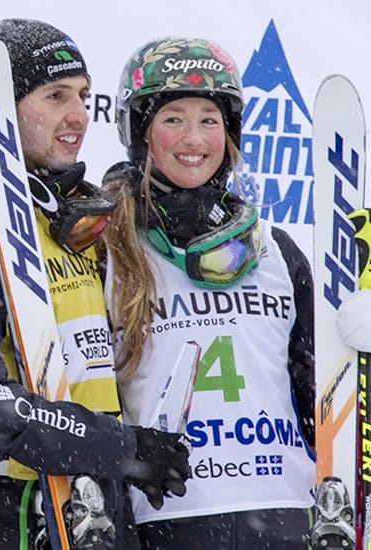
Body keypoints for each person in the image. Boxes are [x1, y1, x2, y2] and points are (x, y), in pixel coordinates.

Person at [0, 18, 191, 549]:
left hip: (94, 504)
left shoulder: (73, 220)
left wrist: (133, 453)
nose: (78, 115)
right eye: (56, 96)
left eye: (83, 96)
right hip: (11, 509)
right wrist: (121, 448)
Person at [99, 36, 315, 548]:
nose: (193, 138)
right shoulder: (108, 250)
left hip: (283, 511)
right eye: (173, 117)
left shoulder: (276, 251)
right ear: (140, 132)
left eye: (209, 119)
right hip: (166, 516)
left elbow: (320, 393)